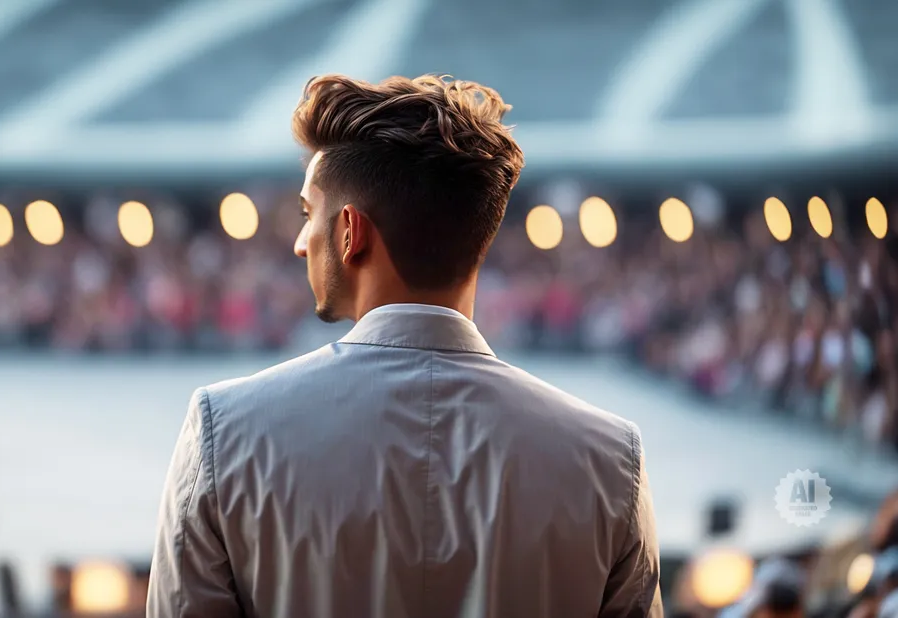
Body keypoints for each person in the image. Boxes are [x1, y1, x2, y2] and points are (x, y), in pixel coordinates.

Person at [146, 74, 662, 618]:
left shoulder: (224, 432)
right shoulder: (609, 459)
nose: (300, 243)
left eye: (307, 214)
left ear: (350, 232)